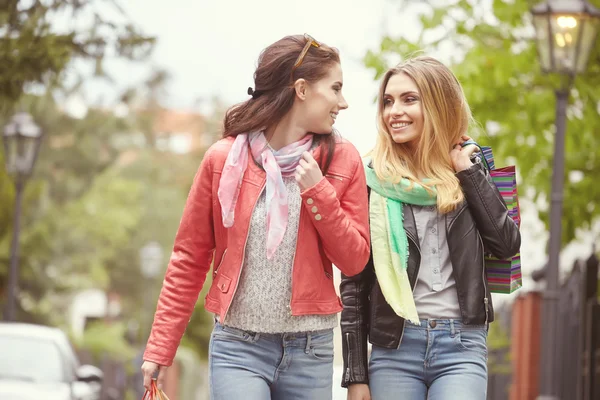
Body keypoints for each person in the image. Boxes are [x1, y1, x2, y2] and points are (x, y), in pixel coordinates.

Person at [141, 34, 370, 400]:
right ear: (302, 89)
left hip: (310, 351)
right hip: (238, 347)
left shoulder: (343, 160)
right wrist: (160, 347)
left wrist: (318, 192)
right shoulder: (222, 159)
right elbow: (190, 256)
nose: (343, 102)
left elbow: (355, 260)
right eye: (336, 88)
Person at [340, 56, 521, 400]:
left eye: (409, 99)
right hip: (395, 347)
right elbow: (354, 281)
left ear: (439, 105)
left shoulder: (471, 168)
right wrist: (355, 373)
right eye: (388, 102)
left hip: (462, 345)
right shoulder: (373, 180)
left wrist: (468, 173)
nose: (394, 111)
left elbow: (506, 243)